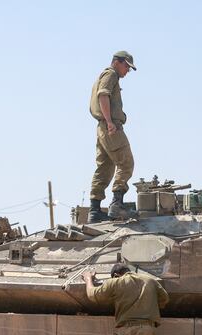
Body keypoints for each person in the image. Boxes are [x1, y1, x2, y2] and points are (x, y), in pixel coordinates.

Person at [88, 51, 137, 223]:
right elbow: (103, 95)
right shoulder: (111, 74)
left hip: (102, 128)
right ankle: (117, 205)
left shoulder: (105, 75)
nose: (127, 71)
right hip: (110, 127)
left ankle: (94, 210)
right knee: (126, 162)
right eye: (126, 66)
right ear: (117, 62)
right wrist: (110, 122)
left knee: (105, 167)